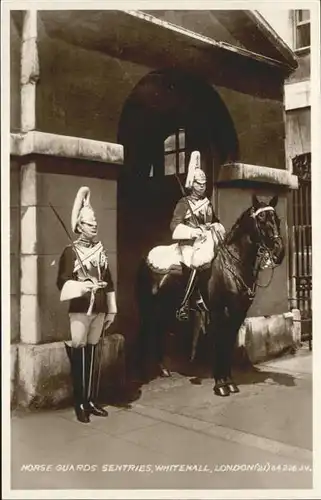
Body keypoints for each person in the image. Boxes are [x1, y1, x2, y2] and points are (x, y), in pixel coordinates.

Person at [56, 186, 117, 423]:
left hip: (99, 308)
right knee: (80, 354)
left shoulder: (100, 251)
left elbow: (109, 281)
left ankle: (91, 400)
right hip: (81, 308)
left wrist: (111, 308)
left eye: (95, 223)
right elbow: (61, 280)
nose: (94, 226)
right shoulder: (70, 252)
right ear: (80, 226)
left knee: (94, 354)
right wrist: (82, 286)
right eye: (89, 224)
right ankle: (79, 402)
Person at [170, 151, 226, 321]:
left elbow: (215, 220)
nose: (202, 186)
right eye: (198, 183)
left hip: (207, 241)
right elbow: (174, 225)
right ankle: (185, 303)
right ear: (192, 184)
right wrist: (193, 232)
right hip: (188, 243)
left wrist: (215, 225)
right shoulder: (183, 203)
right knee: (195, 263)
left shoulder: (207, 203)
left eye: (204, 183)